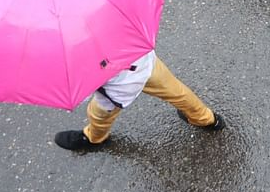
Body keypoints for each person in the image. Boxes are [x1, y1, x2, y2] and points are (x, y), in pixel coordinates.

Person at [54, 49, 225, 151]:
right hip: (144, 62)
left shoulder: (68, 51)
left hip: (118, 89)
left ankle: (94, 138)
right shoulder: (108, 4)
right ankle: (207, 119)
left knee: (99, 116)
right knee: (178, 92)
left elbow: (81, 93)